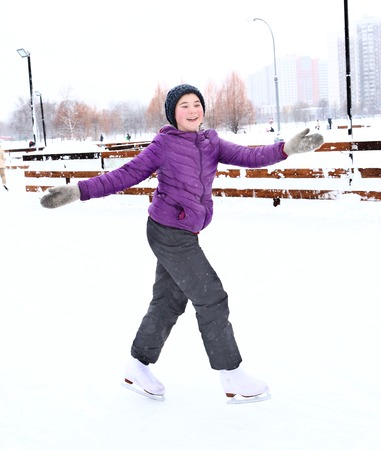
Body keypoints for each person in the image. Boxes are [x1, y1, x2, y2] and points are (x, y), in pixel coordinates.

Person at [40, 84, 324, 403]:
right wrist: (78, 191)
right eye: (184, 106)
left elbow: (250, 156)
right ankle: (231, 374)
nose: (192, 110)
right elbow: (125, 174)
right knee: (211, 296)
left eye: (196, 104)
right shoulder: (164, 144)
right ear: (173, 114)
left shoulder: (211, 142)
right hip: (167, 231)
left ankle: (136, 366)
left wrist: (286, 148)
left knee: (168, 302)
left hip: (185, 231)